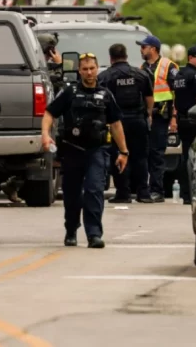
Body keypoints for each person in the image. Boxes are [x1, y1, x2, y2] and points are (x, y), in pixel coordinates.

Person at [41, 53, 129, 248]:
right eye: (85, 69)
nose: (89, 73)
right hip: (72, 150)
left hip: (96, 151)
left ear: (98, 69)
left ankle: (94, 234)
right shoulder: (69, 92)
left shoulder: (106, 95)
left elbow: (115, 124)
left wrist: (124, 152)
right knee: (72, 195)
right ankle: (71, 230)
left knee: (94, 190)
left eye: (92, 68)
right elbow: (49, 113)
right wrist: (45, 134)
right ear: (79, 71)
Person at [0, 32, 63, 202]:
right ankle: (15, 183)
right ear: (49, 50)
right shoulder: (40, 67)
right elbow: (58, 84)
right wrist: (58, 66)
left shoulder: (23, 63)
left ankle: (14, 184)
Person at [98, 43, 154, 204]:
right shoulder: (141, 74)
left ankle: (123, 193)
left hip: (117, 123)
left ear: (111, 58)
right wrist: (148, 114)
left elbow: (102, 100)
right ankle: (144, 193)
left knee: (119, 154)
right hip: (138, 120)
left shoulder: (105, 77)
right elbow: (149, 98)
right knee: (141, 156)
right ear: (126, 56)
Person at [136, 35, 179, 203]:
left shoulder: (168, 66)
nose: (141, 49)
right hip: (146, 115)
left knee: (157, 154)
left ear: (153, 48)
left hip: (161, 116)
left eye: (143, 47)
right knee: (144, 153)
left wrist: (174, 118)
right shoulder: (143, 67)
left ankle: (157, 191)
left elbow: (177, 94)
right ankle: (145, 189)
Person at [172, 45, 196, 204]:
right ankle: (192, 193)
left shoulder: (180, 75)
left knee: (185, 157)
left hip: (182, 120)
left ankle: (185, 193)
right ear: (191, 57)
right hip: (195, 121)